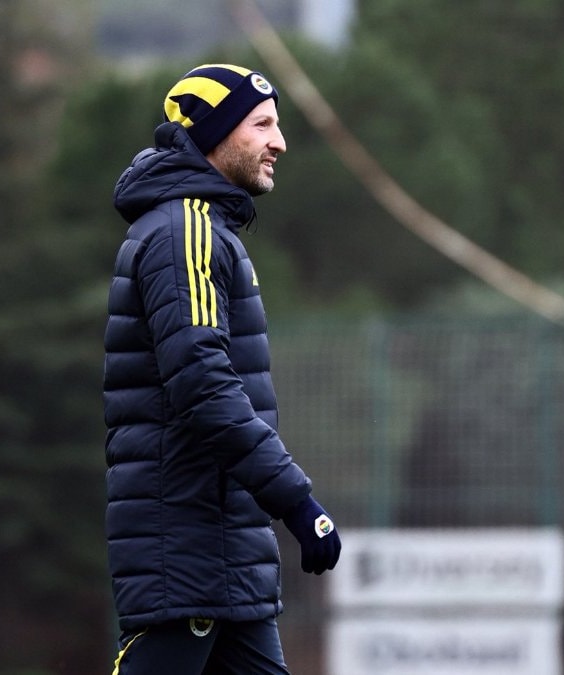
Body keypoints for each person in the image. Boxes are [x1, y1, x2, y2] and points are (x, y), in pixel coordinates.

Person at [103, 63, 342, 674]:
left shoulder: (206, 229)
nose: (279, 142)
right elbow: (203, 384)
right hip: (189, 555)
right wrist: (295, 500)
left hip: (224, 562)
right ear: (213, 136)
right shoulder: (184, 230)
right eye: (261, 124)